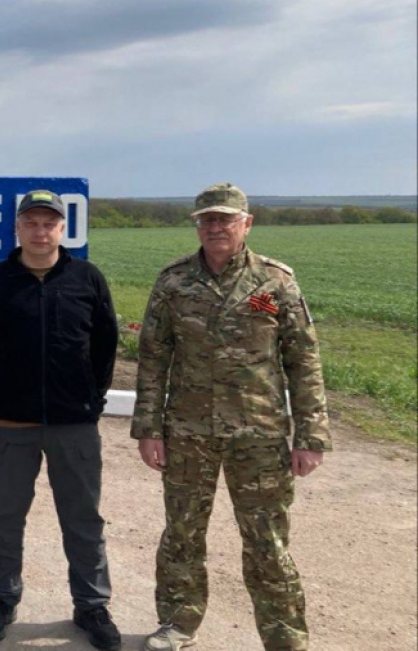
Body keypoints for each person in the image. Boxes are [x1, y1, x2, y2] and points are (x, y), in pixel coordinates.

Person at [132, 182, 331, 651]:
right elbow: (153, 358)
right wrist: (148, 429)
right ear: (197, 226)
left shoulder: (275, 281)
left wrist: (311, 435)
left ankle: (285, 636)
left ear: (247, 224)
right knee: (182, 532)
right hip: (188, 431)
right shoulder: (174, 281)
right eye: (207, 220)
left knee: (267, 540)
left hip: (258, 433)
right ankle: (177, 623)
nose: (215, 227)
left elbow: (304, 361)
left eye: (225, 219)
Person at [0, 190, 121, 649]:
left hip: (75, 423)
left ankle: (91, 604)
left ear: (62, 229)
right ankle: (1, 598)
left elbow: (105, 343)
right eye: (30, 222)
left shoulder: (86, 278)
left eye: (49, 223)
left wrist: (93, 400)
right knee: (5, 515)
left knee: (83, 517)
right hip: (12, 422)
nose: (40, 231)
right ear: (17, 228)